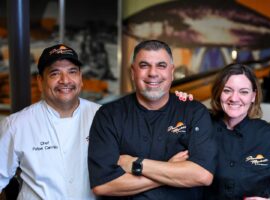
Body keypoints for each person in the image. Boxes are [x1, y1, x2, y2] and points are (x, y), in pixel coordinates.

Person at [88, 40, 217, 199]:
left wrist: (137, 164)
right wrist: (172, 170)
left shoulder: (194, 112)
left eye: (161, 65)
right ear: (133, 72)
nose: (153, 73)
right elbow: (103, 185)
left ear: (172, 71)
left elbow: (202, 175)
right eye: (144, 65)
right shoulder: (109, 115)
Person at [0, 44, 100, 199]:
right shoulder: (16, 125)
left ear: (80, 78)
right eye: (55, 73)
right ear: (40, 81)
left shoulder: (103, 117)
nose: (65, 80)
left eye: (72, 72)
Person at [203, 63, 270, 199]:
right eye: (227, 90)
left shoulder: (269, 137)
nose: (234, 98)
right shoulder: (201, 125)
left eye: (244, 91)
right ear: (219, 92)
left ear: (253, 96)